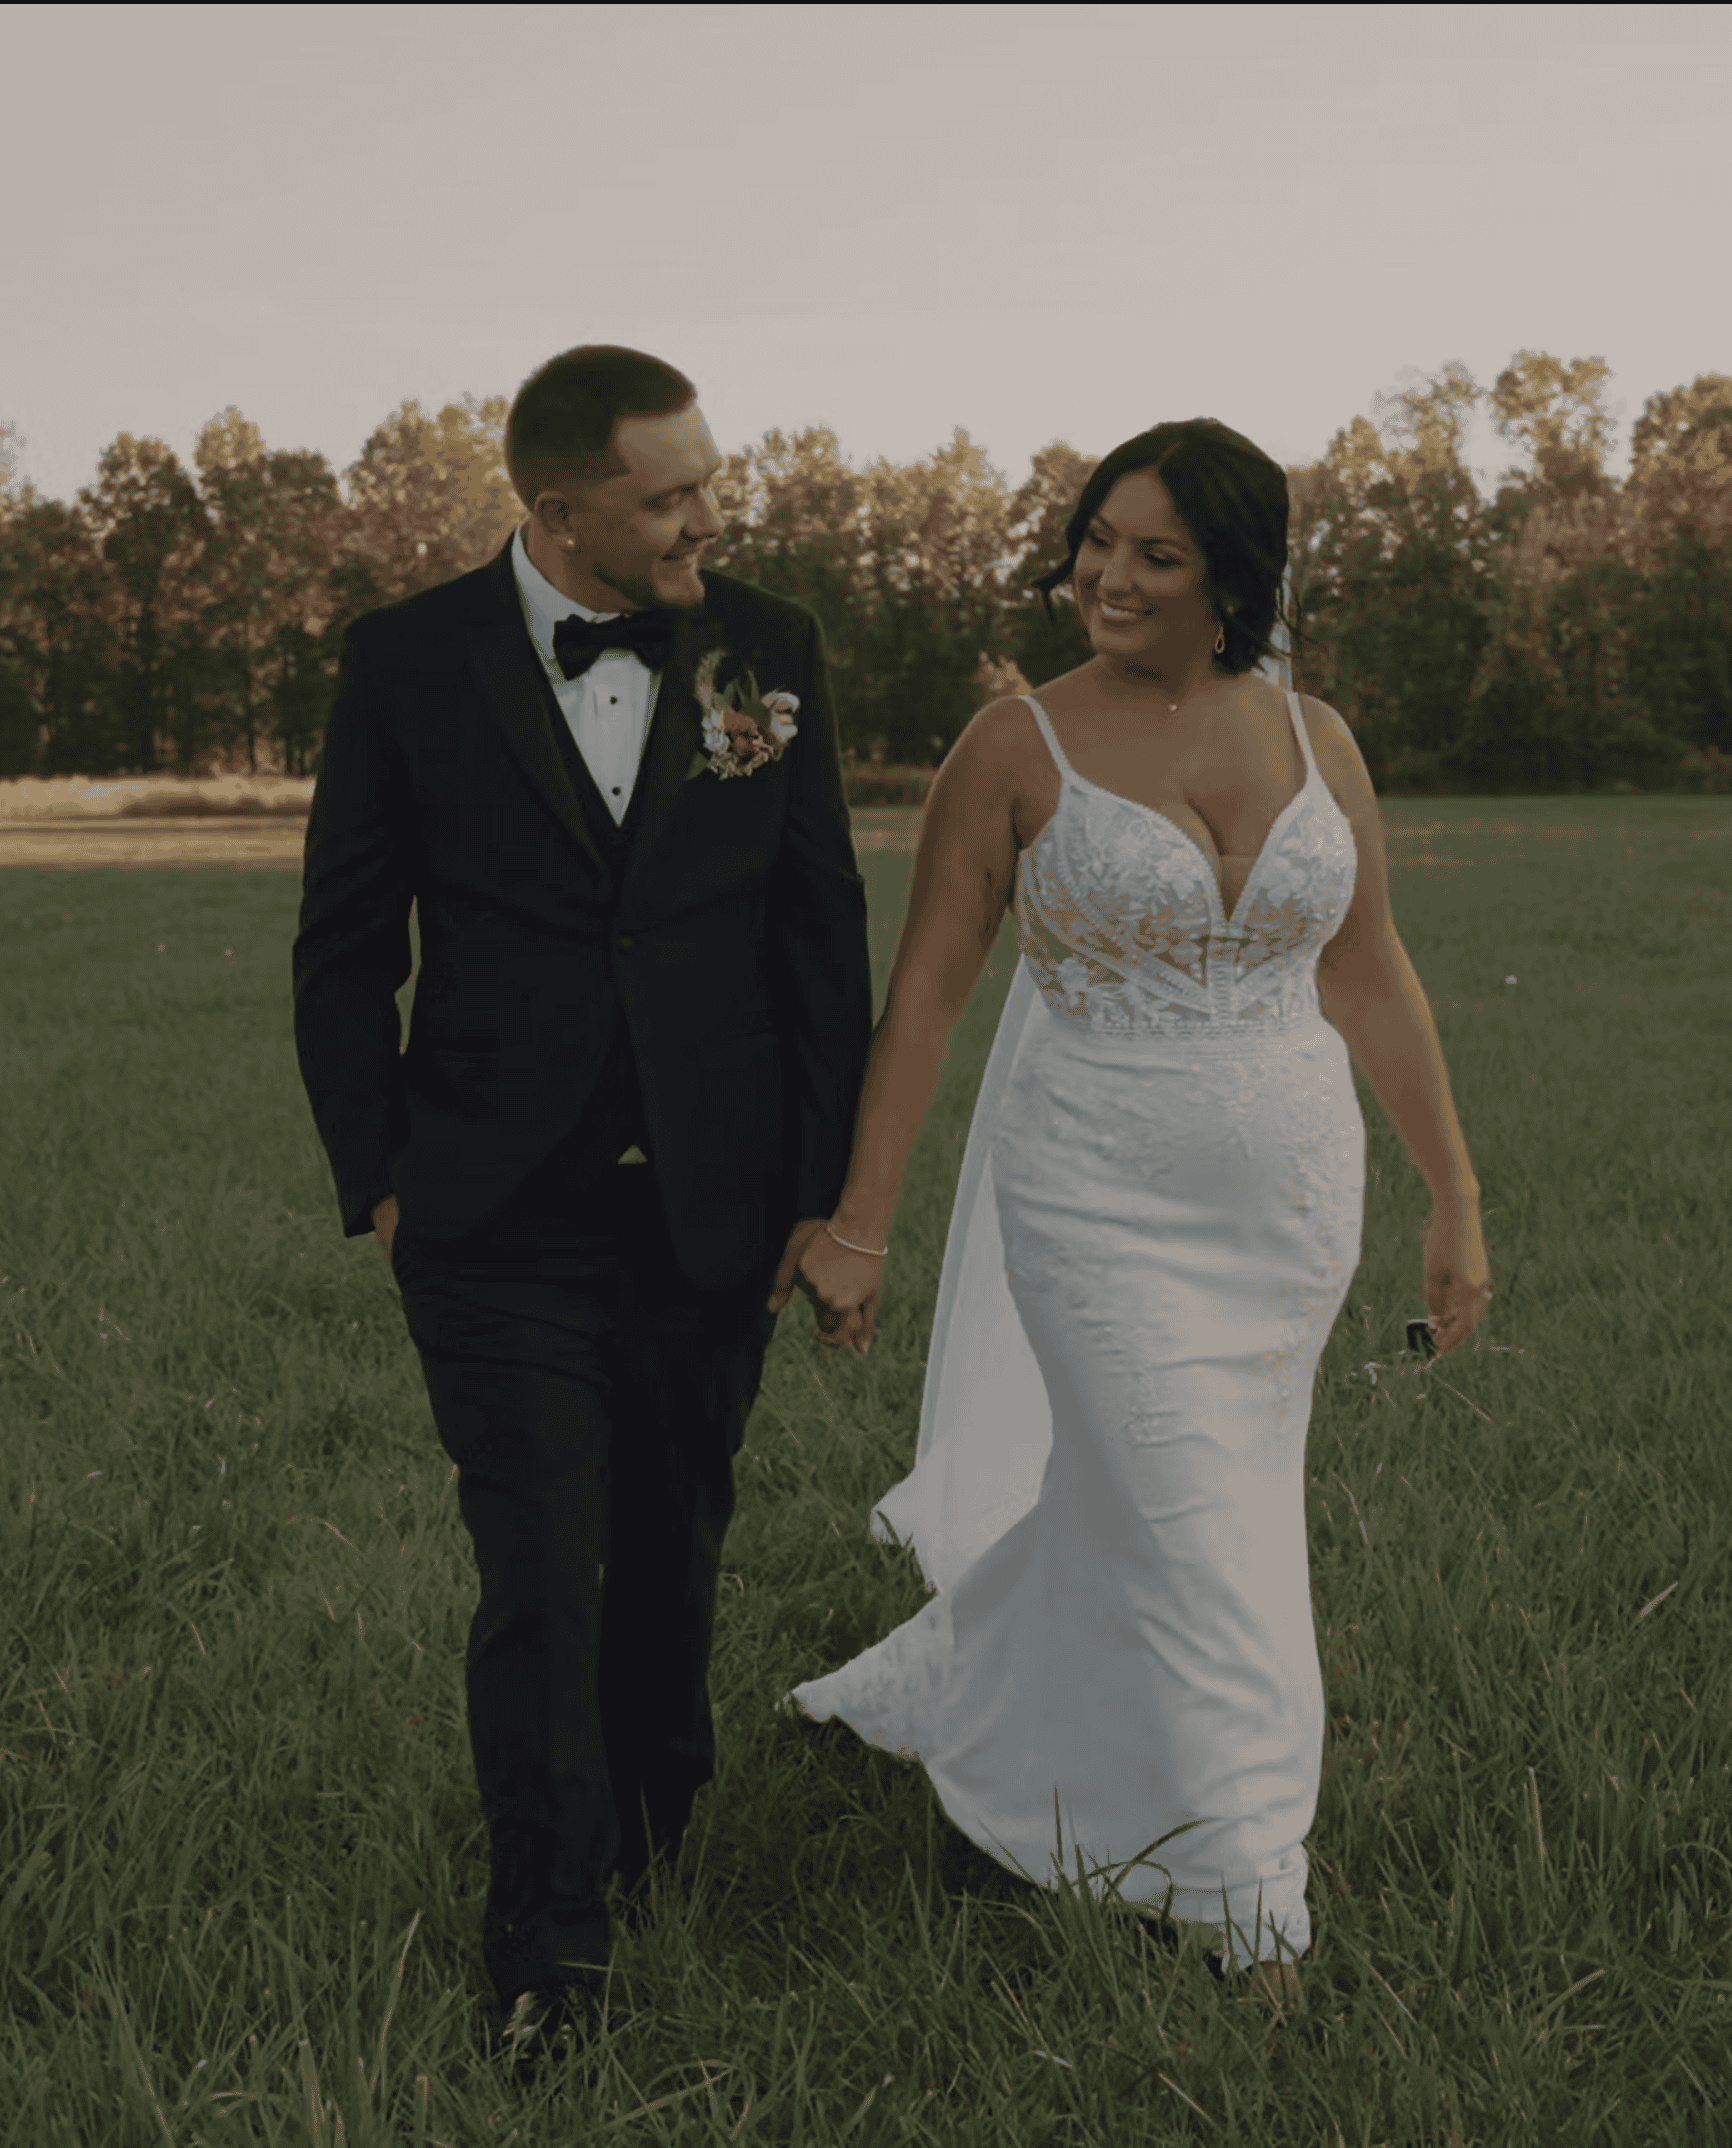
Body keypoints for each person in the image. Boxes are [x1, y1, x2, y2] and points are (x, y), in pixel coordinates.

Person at [770, 417, 1493, 2024]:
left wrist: (1452, 1194)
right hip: (1093, 1195)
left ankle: (986, 1740)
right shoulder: (1013, 747)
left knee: (1153, 1514)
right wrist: (864, 1223)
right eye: (1099, 538)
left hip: (1291, 1203)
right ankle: (1254, 1909)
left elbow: (1368, 972)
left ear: (1235, 576)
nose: (1108, 574)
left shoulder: (1319, 739)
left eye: (1155, 553)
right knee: (1200, 1534)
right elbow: (934, 992)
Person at [291, 345, 873, 2075]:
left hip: (715, 1206)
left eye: (711, 477)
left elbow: (818, 928)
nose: (711, 514)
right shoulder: (405, 663)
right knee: (539, 1562)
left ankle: (651, 1828)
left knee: (673, 1550)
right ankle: (551, 1946)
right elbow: (341, 942)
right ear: (558, 511)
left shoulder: (766, 648)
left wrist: (825, 1195)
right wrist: (377, 1176)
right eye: (670, 494)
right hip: (489, 1211)